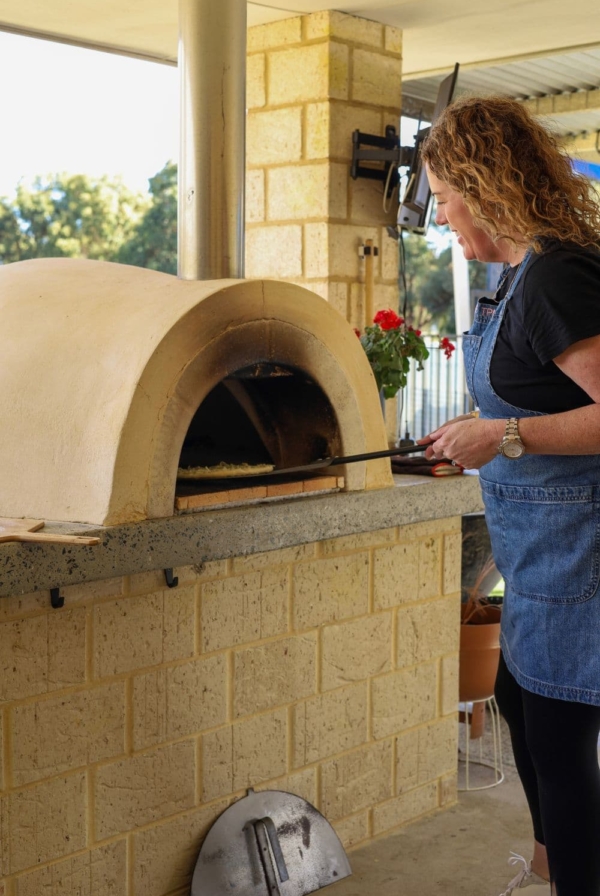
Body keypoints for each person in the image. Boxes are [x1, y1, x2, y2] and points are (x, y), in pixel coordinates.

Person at [419, 95, 600, 896]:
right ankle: (549, 870)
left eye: (442, 196)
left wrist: (504, 436)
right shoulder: (522, 275)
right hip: (539, 561)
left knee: (561, 745)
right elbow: (538, 393)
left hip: (581, 558)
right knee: (518, 704)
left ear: (479, 182)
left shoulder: (556, 276)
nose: (439, 215)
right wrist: (481, 427)